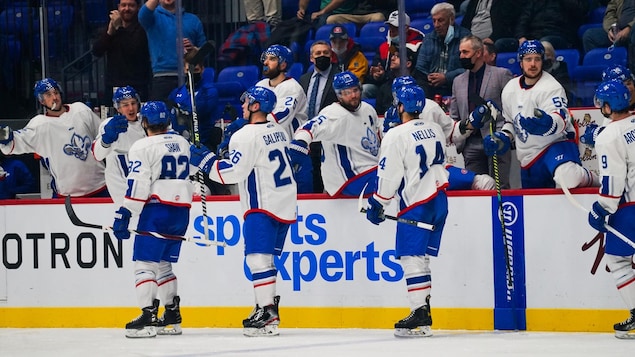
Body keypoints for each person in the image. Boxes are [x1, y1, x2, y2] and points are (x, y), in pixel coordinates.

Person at [189, 86, 297, 337]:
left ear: (256, 106)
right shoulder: (278, 130)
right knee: (267, 260)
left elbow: (232, 173)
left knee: (257, 259)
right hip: (285, 202)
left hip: (262, 204)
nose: (243, 105)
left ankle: (267, 311)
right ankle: (265, 307)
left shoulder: (245, 135)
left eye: (247, 102)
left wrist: (205, 160)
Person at [365, 84, 449, 337]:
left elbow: (389, 177)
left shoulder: (395, 135)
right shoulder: (434, 128)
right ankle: (423, 310)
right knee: (421, 259)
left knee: (411, 259)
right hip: (439, 200)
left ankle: (420, 314)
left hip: (416, 203)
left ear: (400, 106)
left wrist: (379, 203)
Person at [112, 101, 192, 338]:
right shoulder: (182, 142)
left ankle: (148, 317)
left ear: (144, 122)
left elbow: (138, 182)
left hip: (157, 210)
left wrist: (125, 212)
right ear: (168, 121)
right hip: (181, 211)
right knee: (164, 264)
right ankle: (171, 315)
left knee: (145, 265)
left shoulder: (142, 146)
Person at [484, 40, 598, 189]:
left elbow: (561, 118)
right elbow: (510, 122)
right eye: (528, 59)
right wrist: (504, 137)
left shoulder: (551, 87)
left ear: (542, 61)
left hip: (554, 146)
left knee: (568, 178)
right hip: (527, 156)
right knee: (535, 203)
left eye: (537, 59)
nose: (533, 64)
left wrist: (548, 124)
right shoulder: (510, 88)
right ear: (521, 62)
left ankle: (597, 180)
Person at [0, 78, 107, 198]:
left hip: (101, 186)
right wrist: (5, 137)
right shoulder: (39, 125)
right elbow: (15, 142)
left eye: (55, 92)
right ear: (42, 101)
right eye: (48, 95)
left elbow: (102, 134)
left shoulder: (80, 110)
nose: (54, 97)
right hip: (66, 195)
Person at [587, 80, 635, 339]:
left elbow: (613, 181)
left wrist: (601, 208)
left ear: (607, 106)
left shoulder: (608, 135)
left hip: (629, 208)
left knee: (618, 261)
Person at [290, 71, 380, 197]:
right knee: (394, 178)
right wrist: (299, 144)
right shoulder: (333, 114)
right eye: (347, 93)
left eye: (355, 90)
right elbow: (308, 128)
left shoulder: (367, 109)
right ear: (339, 95)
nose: (353, 95)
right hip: (349, 179)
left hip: (371, 171)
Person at [449, 35, 513, 188]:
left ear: (478, 53)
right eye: (460, 52)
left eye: (465, 52)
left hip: (496, 141)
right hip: (470, 143)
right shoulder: (458, 81)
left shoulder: (501, 74)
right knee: (475, 190)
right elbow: (454, 114)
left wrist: (503, 135)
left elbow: (510, 110)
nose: (461, 56)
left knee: (500, 188)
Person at [139, 0, 207, 102]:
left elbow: (205, 51)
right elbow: (142, 14)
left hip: (190, 76)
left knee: (188, 115)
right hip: (163, 76)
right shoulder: (153, 17)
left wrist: (193, 50)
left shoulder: (193, 20)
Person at [92, 86, 147, 207]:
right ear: (118, 108)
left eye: (133, 103)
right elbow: (97, 155)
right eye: (125, 105)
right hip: (121, 187)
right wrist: (106, 139)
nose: (131, 108)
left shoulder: (146, 123)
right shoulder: (110, 124)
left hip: (144, 185)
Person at [299, 40, 340, 193]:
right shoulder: (304, 79)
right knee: (312, 176)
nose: (322, 56)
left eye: (325, 53)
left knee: (330, 176)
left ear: (331, 55)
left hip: (329, 135)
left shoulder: (338, 77)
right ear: (311, 58)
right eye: (318, 53)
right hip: (309, 136)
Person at [92, 0, 151, 101]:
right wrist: (110, 32)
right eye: (123, 5)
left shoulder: (143, 28)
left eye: (131, 5)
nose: (127, 9)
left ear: (137, 8)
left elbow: (132, 50)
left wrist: (119, 28)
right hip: (113, 84)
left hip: (137, 85)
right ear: (118, 7)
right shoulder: (111, 27)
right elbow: (96, 51)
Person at [363, 10, 425, 100]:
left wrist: (386, 76)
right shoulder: (384, 47)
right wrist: (376, 76)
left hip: (410, 86)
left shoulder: (417, 46)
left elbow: (417, 73)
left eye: (396, 27)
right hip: (386, 85)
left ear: (406, 28)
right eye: (390, 26)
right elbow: (374, 72)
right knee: (365, 89)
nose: (391, 30)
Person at [168, 47, 221, 151]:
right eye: (189, 70)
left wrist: (179, 107)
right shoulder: (177, 92)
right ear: (184, 69)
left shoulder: (210, 91)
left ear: (202, 69)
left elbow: (197, 110)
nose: (192, 74)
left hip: (203, 144)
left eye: (195, 70)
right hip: (180, 145)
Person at [415, 2, 471, 99]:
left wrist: (446, 77)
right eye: (434, 21)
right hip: (431, 87)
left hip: (455, 86)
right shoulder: (428, 39)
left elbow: (469, 69)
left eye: (440, 20)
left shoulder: (466, 38)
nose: (436, 25)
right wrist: (429, 77)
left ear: (452, 19)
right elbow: (420, 68)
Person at [255, 45, 308, 138]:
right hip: (268, 138)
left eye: (272, 59)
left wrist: (254, 120)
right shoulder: (261, 85)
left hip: (292, 143)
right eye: (265, 58)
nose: (266, 62)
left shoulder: (292, 87)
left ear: (283, 65)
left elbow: (279, 119)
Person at [580, 64, 635, 147]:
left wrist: (600, 134)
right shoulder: (611, 110)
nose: (627, 89)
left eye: (629, 83)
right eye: (621, 85)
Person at [512, 0, 589, 51]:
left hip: (559, 35)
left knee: (544, 43)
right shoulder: (535, 2)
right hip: (533, 36)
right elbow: (523, 20)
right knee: (502, 44)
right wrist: (521, 36)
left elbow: (580, 12)